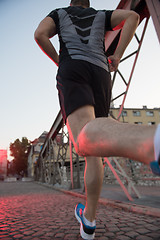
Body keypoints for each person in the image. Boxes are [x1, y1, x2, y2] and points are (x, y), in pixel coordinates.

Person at [34, 0, 160, 239]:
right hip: (101, 73)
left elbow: (40, 34)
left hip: (73, 68)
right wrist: (118, 56)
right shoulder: (101, 15)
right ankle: (88, 219)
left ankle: (152, 142)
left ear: (71, 2)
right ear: (88, 3)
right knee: (95, 146)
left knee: (83, 138)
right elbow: (132, 17)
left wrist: (59, 61)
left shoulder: (59, 13)